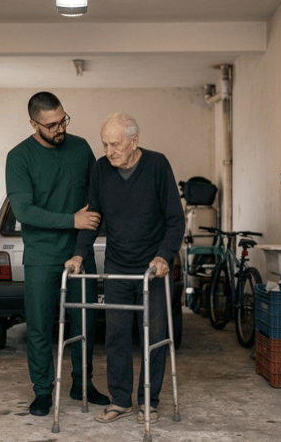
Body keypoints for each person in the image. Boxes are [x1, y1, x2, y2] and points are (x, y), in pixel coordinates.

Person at [65, 112, 185, 425]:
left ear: (134, 141)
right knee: (117, 336)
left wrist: (164, 256)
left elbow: (175, 220)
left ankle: (149, 401)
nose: (109, 151)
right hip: (117, 267)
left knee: (154, 336)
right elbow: (92, 218)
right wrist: (79, 254)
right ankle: (121, 400)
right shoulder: (101, 169)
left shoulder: (157, 165)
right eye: (104, 144)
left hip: (151, 270)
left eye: (115, 144)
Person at [5, 91, 110, 417]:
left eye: (62, 120)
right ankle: (42, 392)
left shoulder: (80, 149)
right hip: (40, 256)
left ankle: (82, 383)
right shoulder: (19, 156)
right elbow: (23, 210)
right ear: (34, 123)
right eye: (51, 125)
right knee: (38, 327)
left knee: (85, 323)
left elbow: (97, 195)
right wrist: (72, 220)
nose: (59, 128)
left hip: (80, 254)